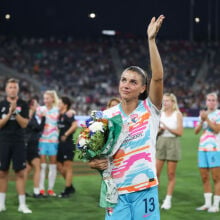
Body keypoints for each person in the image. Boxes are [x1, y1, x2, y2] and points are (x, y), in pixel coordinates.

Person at [89, 15, 165, 220]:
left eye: (133, 82)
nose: (126, 84)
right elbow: (95, 156)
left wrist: (151, 41)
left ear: (143, 88)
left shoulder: (150, 109)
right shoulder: (105, 116)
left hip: (145, 188)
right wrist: (95, 163)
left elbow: (157, 77)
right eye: (123, 79)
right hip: (116, 192)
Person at [0, 78, 32, 213]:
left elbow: (24, 124)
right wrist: (9, 113)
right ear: (6, 90)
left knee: (20, 173)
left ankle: (22, 205)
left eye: (15, 87)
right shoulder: (1, 104)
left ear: (18, 89)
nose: (13, 89)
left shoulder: (23, 104)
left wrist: (15, 112)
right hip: (3, 142)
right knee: (2, 173)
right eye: (10, 87)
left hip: (19, 142)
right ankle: (1, 204)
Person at [156, 93, 183, 210]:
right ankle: (154, 199)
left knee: (171, 174)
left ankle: (168, 200)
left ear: (173, 102)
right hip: (161, 142)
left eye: (167, 101)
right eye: (164, 100)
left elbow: (180, 133)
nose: (165, 103)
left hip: (173, 143)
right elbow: (156, 132)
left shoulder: (178, 114)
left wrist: (167, 128)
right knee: (156, 174)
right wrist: (160, 131)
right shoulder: (160, 114)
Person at [194, 92, 220, 213]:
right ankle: (207, 204)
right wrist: (201, 120)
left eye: (213, 100)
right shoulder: (203, 114)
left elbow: (216, 129)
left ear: (217, 102)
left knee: (216, 178)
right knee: (204, 177)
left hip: (215, 148)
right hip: (202, 148)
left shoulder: (219, 114)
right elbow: (196, 131)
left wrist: (207, 119)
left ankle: (215, 205)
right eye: (209, 100)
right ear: (206, 102)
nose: (211, 102)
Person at [37, 90, 59, 196]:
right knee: (43, 166)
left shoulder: (57, 110)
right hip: (42, 140)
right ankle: (41, 189)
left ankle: (50, 189)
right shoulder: (40, 110)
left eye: (47, 98)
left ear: (52, 99)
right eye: (44, 98)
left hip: (53, 141)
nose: (45, 100)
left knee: (52, 165)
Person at [24, 97, 46, 198]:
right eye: (36, 104)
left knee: (27, 169)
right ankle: (36, 192)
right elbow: (38, 128)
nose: (38, 106)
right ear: (32, 105)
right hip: (30, 144)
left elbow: (38, 128)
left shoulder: (31, 115)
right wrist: (44, 118)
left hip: (29, 144)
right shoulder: (29, 115)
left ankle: (22, 191)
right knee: (38, 167)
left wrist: (43, 118)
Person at [57, 96, 78, 198]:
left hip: (68, 144)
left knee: (67, 167)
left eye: (60, 103)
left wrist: (66, 134)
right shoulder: (60, 115)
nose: (58, 104)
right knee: (59, 166)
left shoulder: (68, 115)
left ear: (65, 105)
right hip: (60, 145)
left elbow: (75, 125)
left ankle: (67, 190)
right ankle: (70, 186)